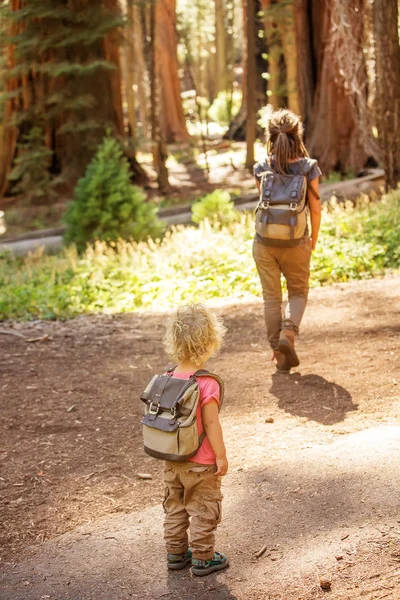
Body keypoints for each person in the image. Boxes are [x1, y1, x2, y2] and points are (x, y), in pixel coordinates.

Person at [162, 304, 229, 576]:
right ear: (211, 341)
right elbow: (211, 423)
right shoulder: (206, 383)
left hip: (172, 459)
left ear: (174, 341)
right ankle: (203, 557)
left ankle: (176, 553)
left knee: (175, 506)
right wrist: (221, 455)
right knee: (203, 507)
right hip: (201, 464)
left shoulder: (167, 378)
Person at [253, 109, 322, 372]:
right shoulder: (308, 168)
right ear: (298, 135)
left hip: (264, 242)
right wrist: (312, 239)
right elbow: (315, 208)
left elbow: (264, 205)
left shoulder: (261, 168)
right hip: (296, 241)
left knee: (271, 298)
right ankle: (288, 335)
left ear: (269, 135)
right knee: (298, 291)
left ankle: (277, 352)